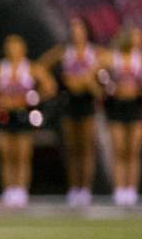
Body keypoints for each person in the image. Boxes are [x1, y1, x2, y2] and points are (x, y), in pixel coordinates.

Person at [38, 18, 103, 207]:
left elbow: (107, 67)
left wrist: (89, 81)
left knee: (87, 148)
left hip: (87, 102)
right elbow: (40, 66)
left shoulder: (95, 52)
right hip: (68, 102)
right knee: (72, 148)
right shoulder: (64, 52)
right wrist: (50, 83)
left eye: (79, 28)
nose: (76, 32)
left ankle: (86, 188)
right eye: (73, 28)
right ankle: (74, 188)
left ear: (86, 30)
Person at [0, 35, 56, 208]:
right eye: (10, 46)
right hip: (4, 115)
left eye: (16, 46)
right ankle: (9, 190)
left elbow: (50, 87)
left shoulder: (31, 68)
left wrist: (31, 98)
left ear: (23, 49)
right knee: (6, 153)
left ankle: (21, 190)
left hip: (22, 114)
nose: (13, 50)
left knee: (22, 154)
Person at [99, 27, 142, 207]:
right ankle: (119, 190)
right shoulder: (112, 57)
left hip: (134, 108)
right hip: (116, 108)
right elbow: (92, 73)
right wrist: (105, 89)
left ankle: (131, 190)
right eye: (136, 37)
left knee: (133, 151)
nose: (139, 40)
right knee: (119, 150)